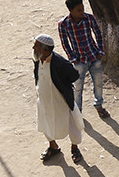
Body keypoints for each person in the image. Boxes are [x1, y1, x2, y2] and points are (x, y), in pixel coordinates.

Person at [31, 33, 84, 164]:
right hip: (44, 99)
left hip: (61, 99)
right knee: (45, 122)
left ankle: (75, 148)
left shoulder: (60, 63)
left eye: (36, 46)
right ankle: (53, 146)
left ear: (46, 50)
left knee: (72, 124)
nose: (33, 47)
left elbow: (74, 75)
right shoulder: (37, 58)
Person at [57, 0, 110, 118]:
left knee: (98, 84)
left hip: (94, 56)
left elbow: (98, 34)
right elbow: (65, 43)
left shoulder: (89, 18)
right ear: (70, 11)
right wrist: (73, 59)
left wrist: (100, 51)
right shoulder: (63, 24)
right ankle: (77, 112)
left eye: (82, 8)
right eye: (78, 10)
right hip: (79, 60)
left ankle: (99, 106)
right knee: (77, 88)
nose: (82, 12)